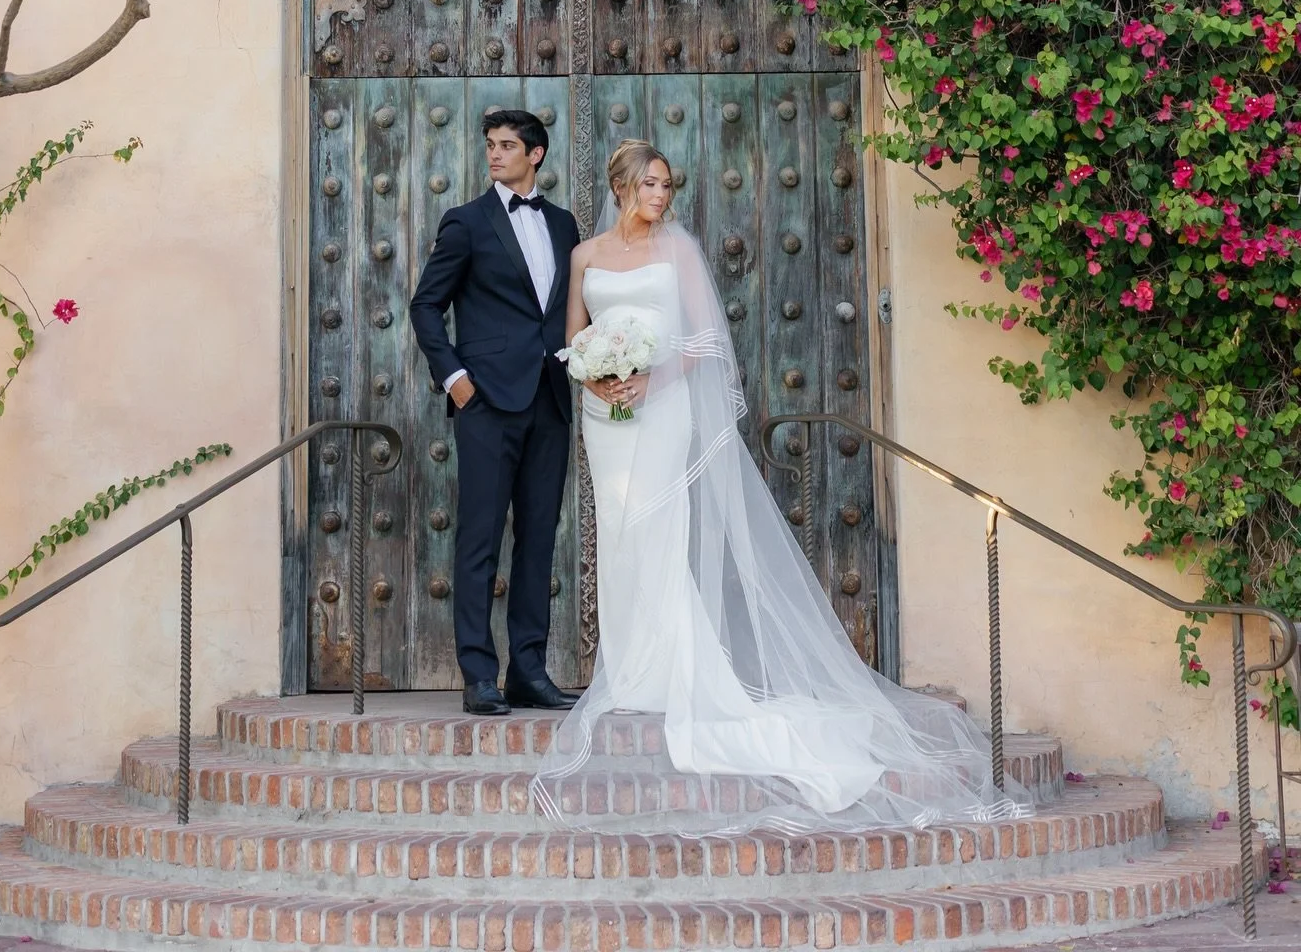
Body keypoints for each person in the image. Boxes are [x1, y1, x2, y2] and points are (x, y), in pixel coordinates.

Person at [533, 138, 1028, 833]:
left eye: (667, 184)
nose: (661, 195)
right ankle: (630, 672)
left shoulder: (677, 251)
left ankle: (671, 671)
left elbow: (705, 340)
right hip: (605, 415)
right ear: (620, 185)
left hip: (666, 406)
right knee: (617, 534)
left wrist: (651, 377)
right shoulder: (585, 256)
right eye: (649, 183)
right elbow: (572, 339)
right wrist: (598, 375)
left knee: (658, 526)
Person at [409, 109, 580, 717]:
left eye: (508, 146)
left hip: (551, 399)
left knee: (538, 539)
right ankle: (478, 673)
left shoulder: (563, 225)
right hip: (485, 402)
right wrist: (455, 380)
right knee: (479, 538)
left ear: (535, 154)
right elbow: (426, 306)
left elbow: (566, 309)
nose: (495, 155)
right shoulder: (467, 222)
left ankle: (528, 671)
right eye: (490, 146)